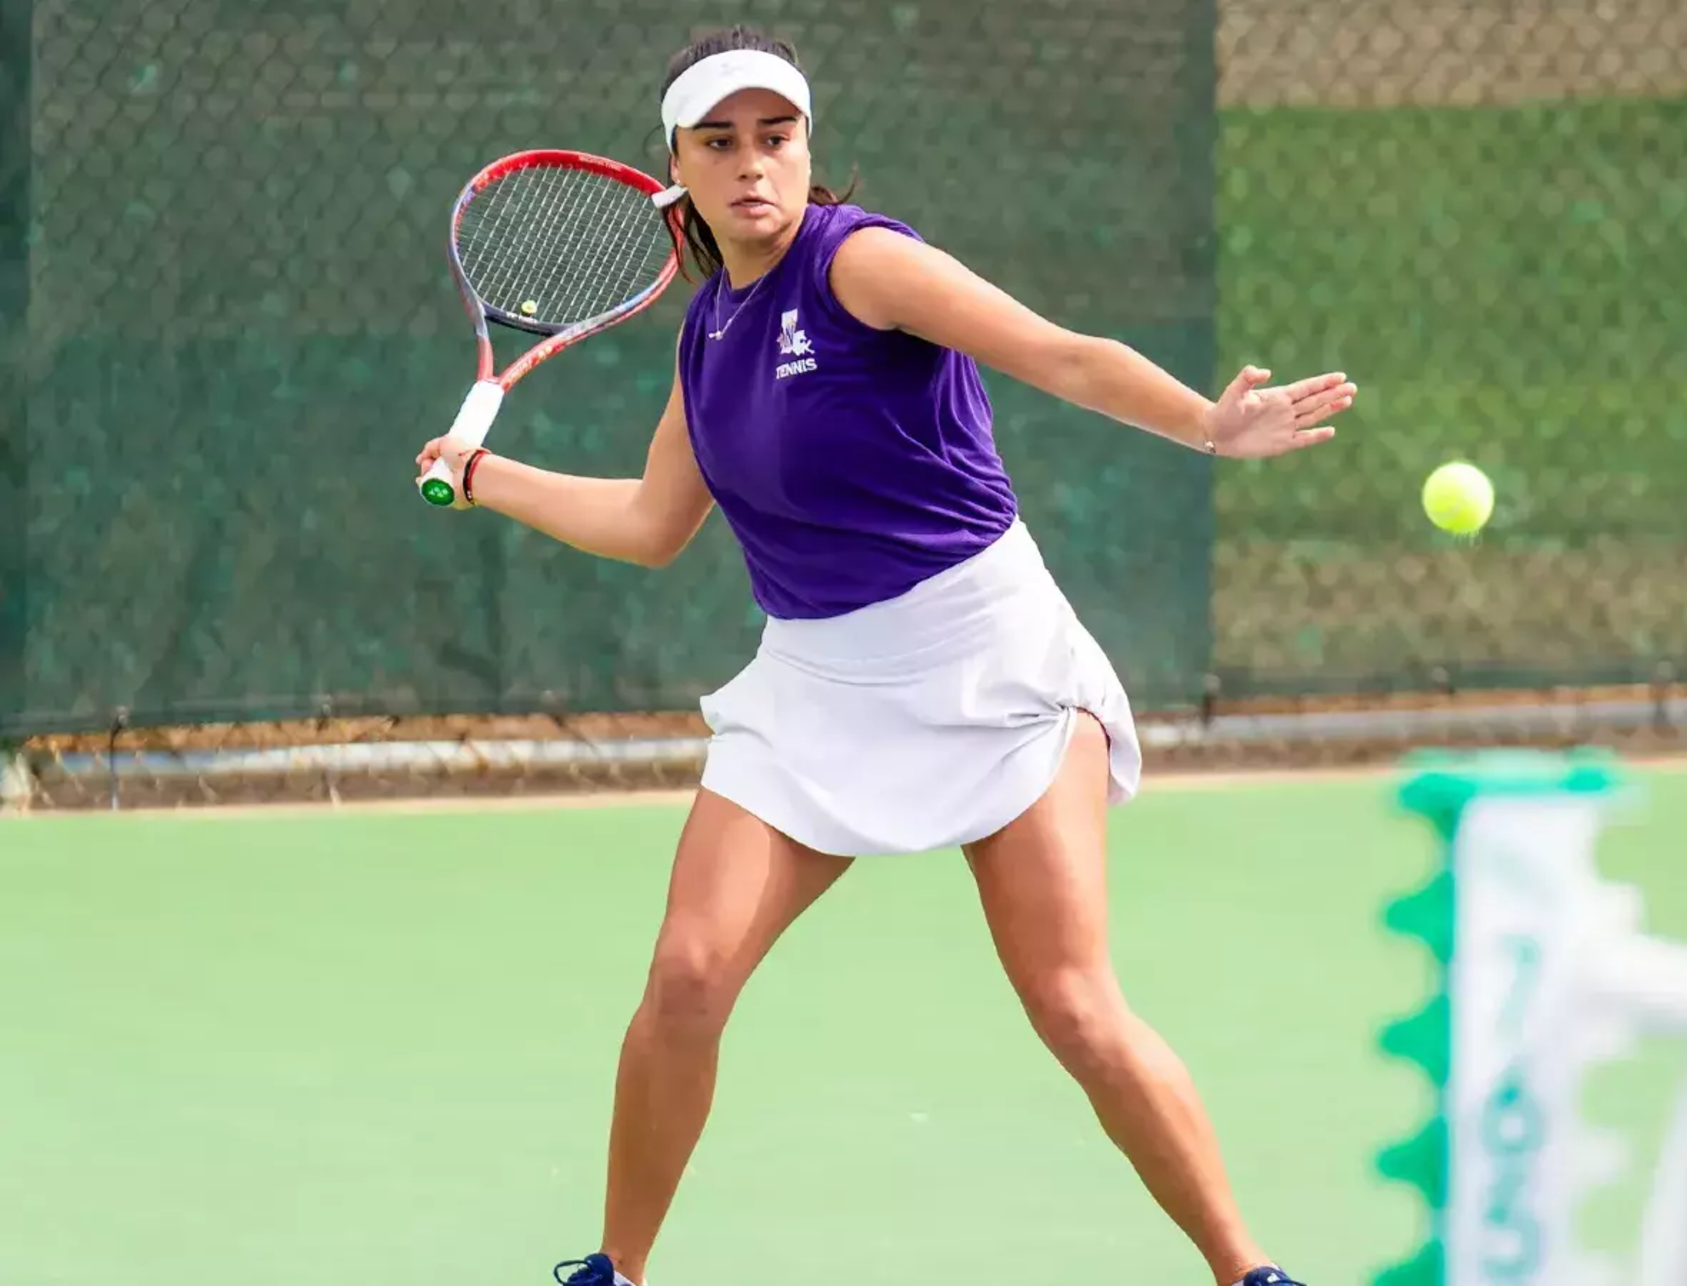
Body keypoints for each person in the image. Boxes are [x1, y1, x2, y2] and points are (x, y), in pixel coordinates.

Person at [414, 25, 1355, 1286]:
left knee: (1074, 1003)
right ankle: (616, 1271)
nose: (753, 163)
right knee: (687, 974)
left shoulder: (862, 263)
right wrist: (485, 473)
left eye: (777, 135)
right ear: (676, 168)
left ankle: (1249, 1271)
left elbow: (1057, 352)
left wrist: (1206, 424)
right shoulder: (709, 335)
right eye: (719, 142)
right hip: (817, 688)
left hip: (994, 665)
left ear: (810, 148)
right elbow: (651, 522)